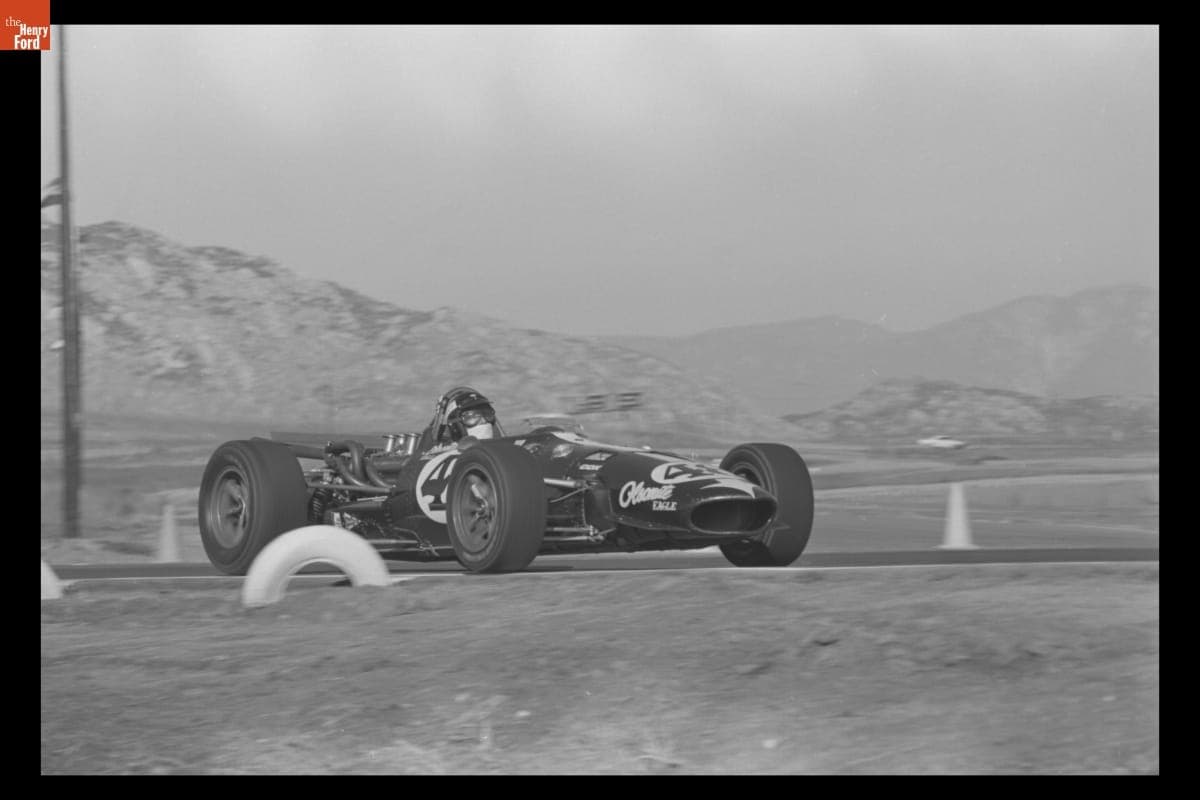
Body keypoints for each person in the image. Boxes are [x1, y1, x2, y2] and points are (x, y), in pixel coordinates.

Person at [428, 386, 503, 446]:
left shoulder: (502, 449)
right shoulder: (446, 455)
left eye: (487, 414)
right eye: (471, 417)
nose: (484, 421)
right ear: (455, 428)